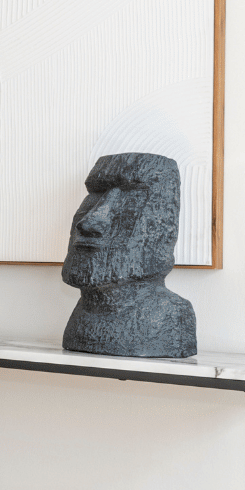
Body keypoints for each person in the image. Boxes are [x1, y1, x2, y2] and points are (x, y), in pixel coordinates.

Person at [60, 152, 196, 358]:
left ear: (167, 222)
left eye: (133, 196)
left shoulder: (171, 316)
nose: (89, 222)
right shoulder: (81, 317)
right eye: (94, 194)